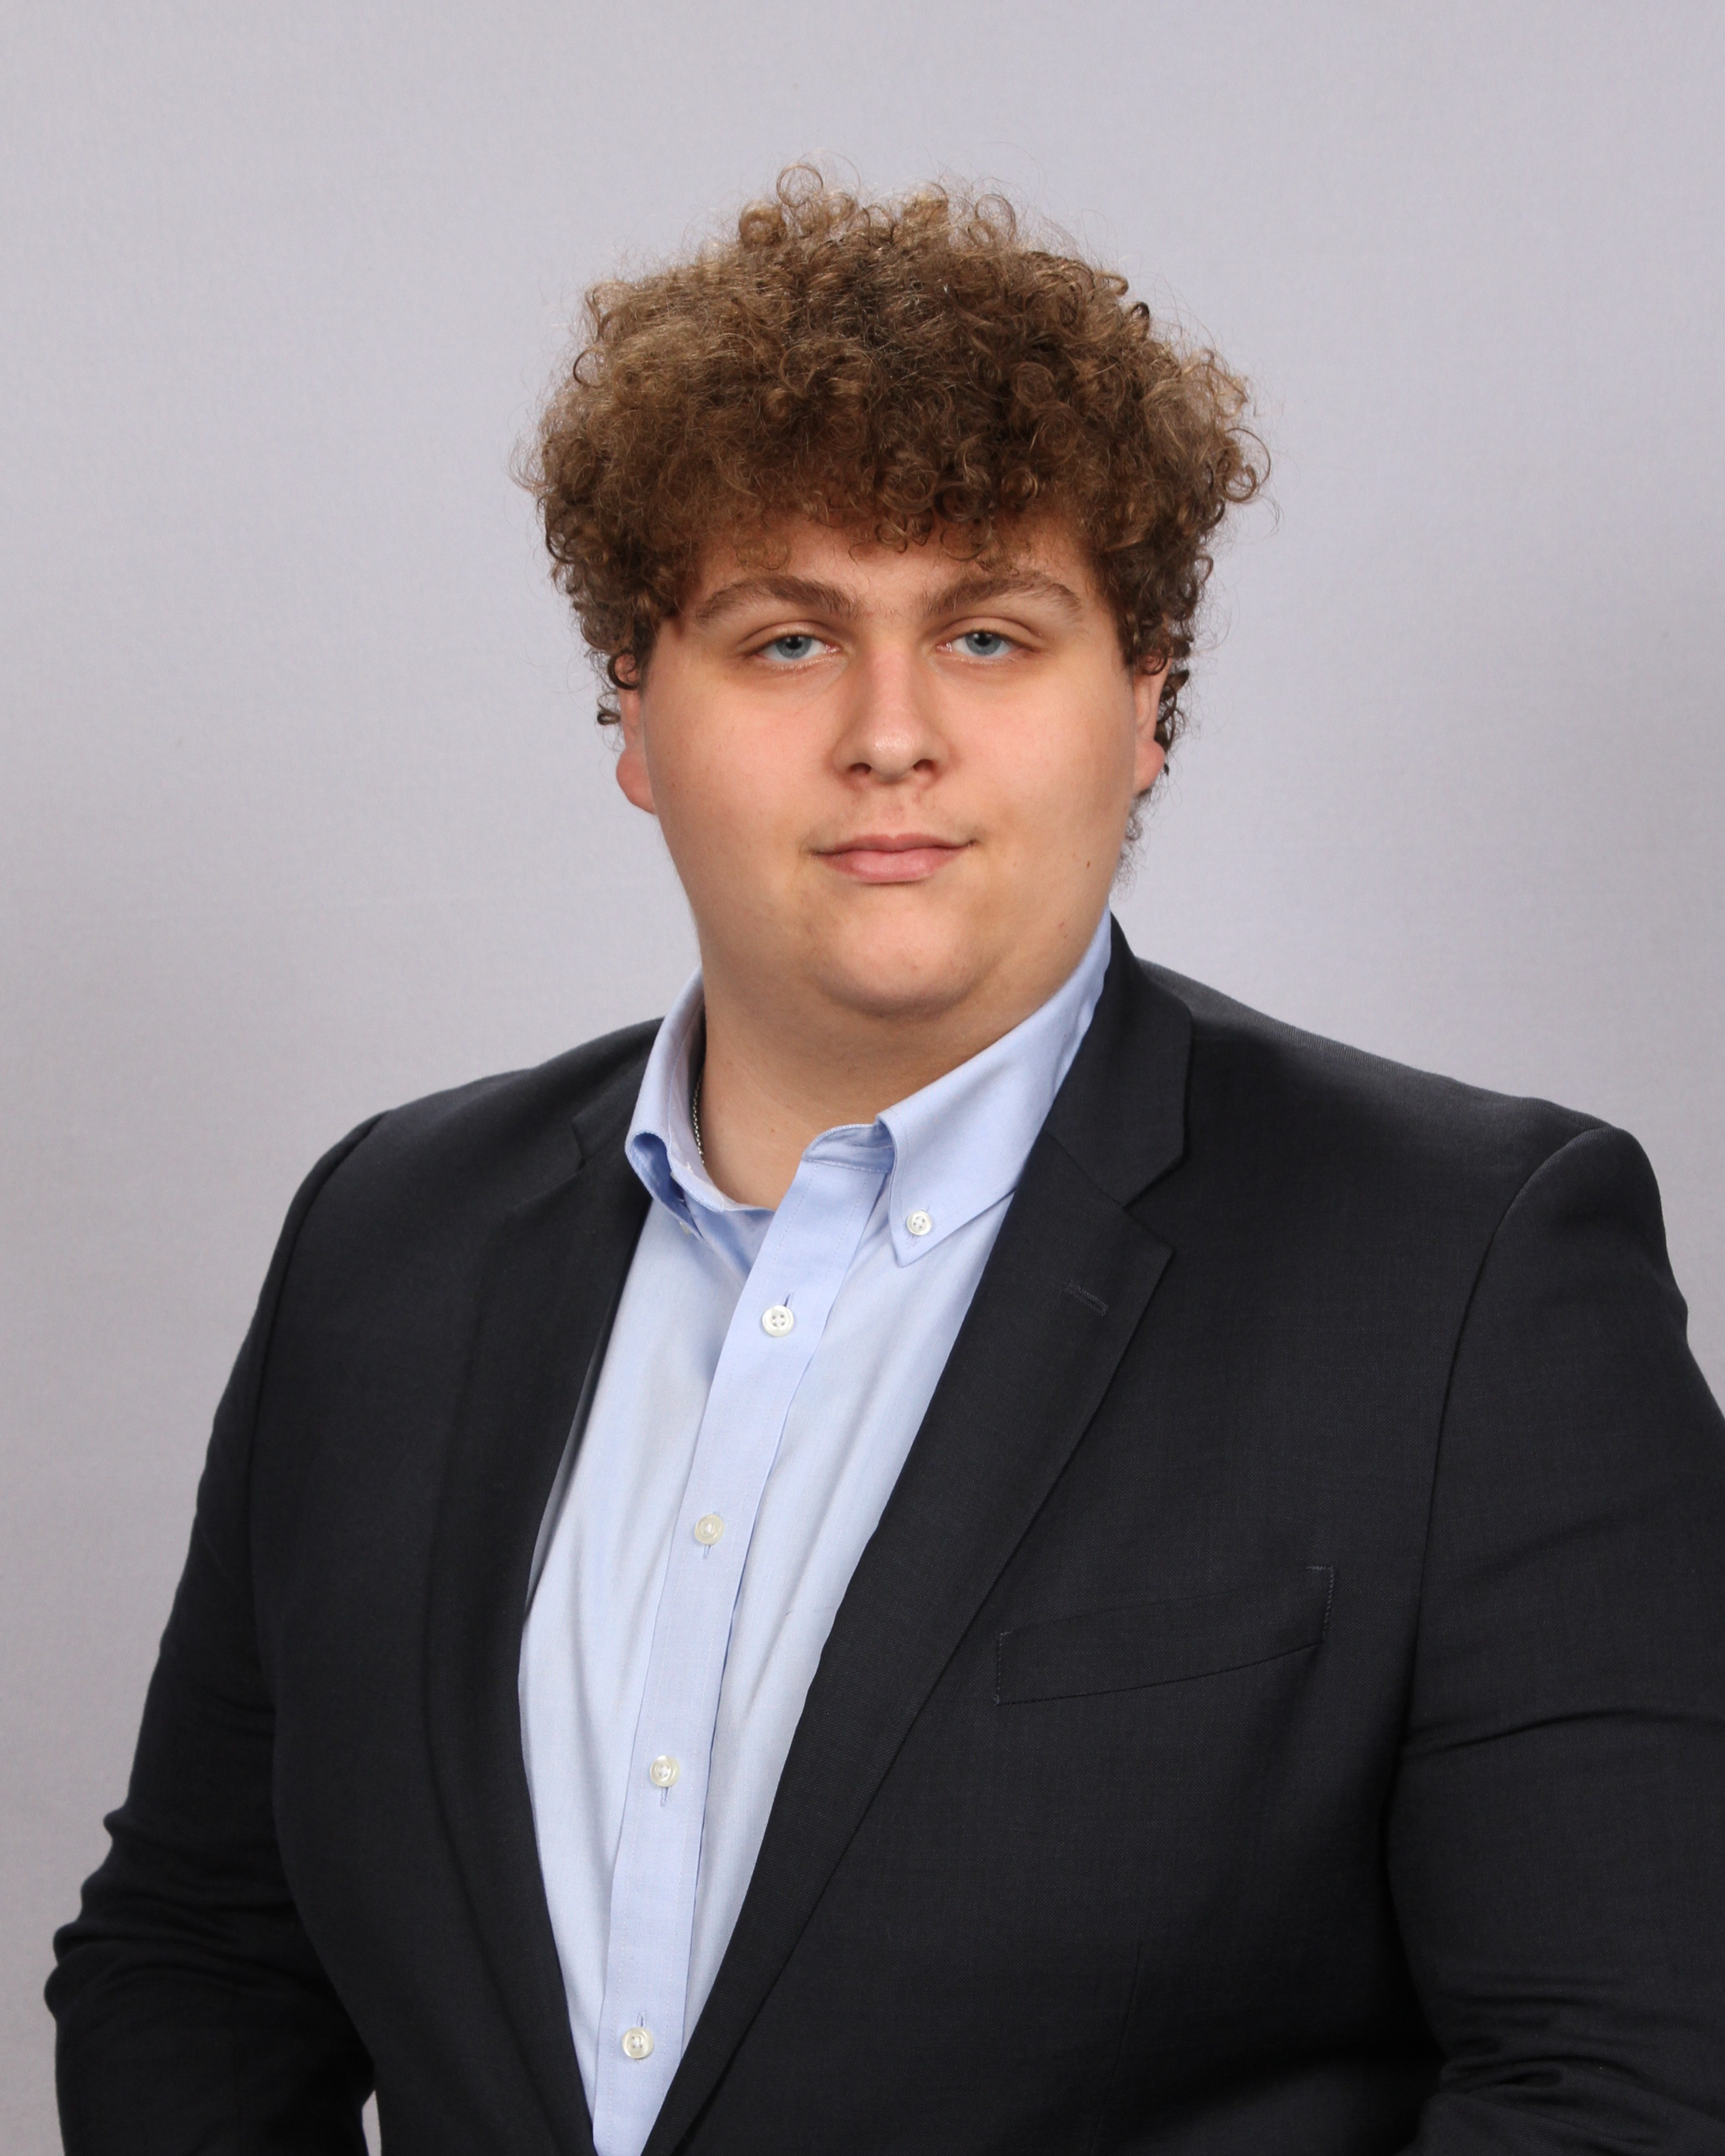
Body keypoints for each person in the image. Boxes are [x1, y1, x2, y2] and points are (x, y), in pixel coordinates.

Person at [48, 170, 1725, 2156]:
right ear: (635, 713)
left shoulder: (1468, 1276)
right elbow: (200, 1956)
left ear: (1146, 705)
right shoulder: (385, 1238)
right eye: (785, 641)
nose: (891, 734)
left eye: (992, 635)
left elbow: (1627, 2083)